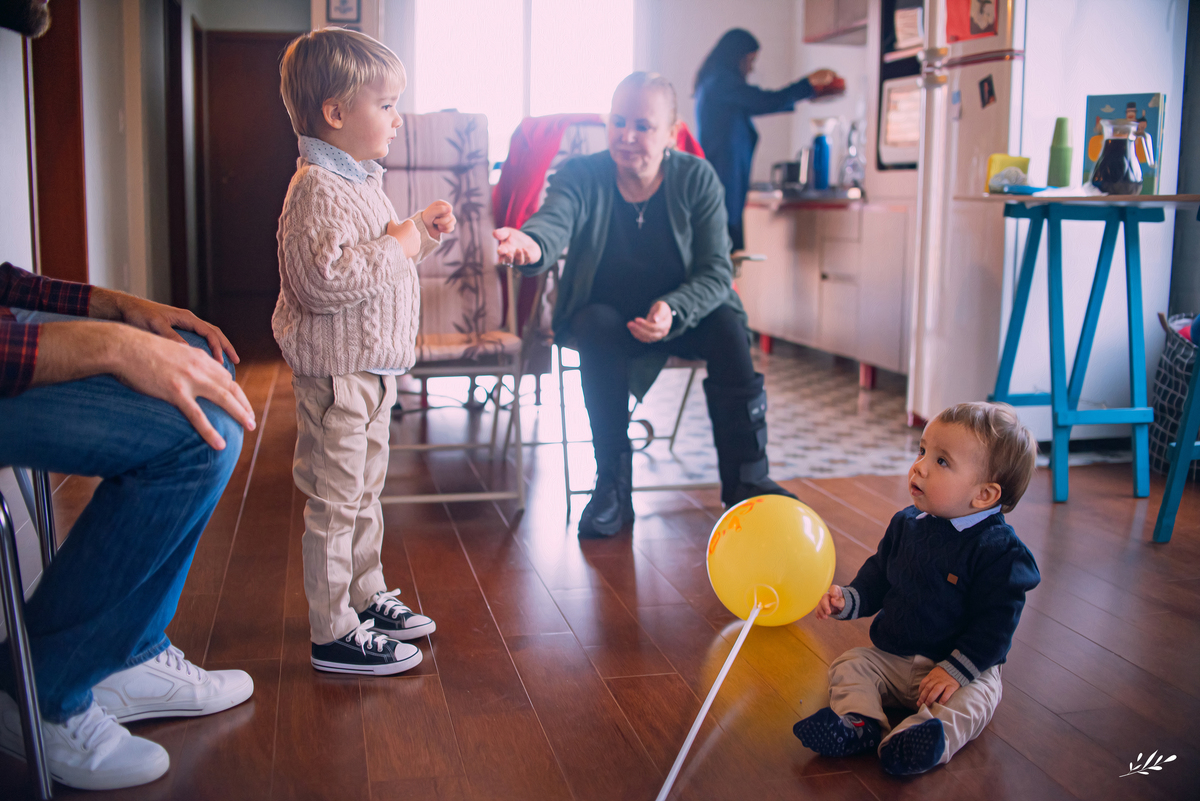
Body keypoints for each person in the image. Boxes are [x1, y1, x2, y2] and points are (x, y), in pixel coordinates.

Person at [494, 72, 796, 538]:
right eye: (619, 122)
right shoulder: (581, 175)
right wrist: (531, 245)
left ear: (672, 134)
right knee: (594, 324)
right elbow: (553, 223)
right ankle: (612, 488)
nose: (627, 136)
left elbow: (717, 270)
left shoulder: (696, 178)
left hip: (680, 314)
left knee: (729, 327)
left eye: (643, 125)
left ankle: (748, 483)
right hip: (608, 315)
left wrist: (673, 309)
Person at [274, 28, 455, 676]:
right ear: (336, 113)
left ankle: (365, 591)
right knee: (336, 500)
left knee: (366, 492)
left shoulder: (360, 183)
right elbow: (323, 282)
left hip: (372, 374)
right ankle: (332, 629)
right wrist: (402, 243)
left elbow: (379, 264)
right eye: (386, 104)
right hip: (338, 378)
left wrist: (419, 239)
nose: (398, 118)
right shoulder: (316, 188)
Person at [794, 402, 1041, 776]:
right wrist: (850, 598)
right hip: (898, 656)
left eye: (941, 462)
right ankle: (859, 724)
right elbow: (880, 573)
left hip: (962, 669)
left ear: (985, 495)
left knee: (974, 704)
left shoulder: (999, 552)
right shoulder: (907, 523)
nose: (920, 466)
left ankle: (923, 737)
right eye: (922, 450)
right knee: (851, 664)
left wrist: (957, 670)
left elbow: (997, 625)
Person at [693, 28, 841, 251]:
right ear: (736, 57)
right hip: (722, 187)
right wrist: (807, 86)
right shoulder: (720, 83)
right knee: (719, 261)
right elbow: (764, 101)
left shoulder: (715, 85)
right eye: (750, 60)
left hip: (725, 187)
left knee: (723, 260)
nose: (751, 68)